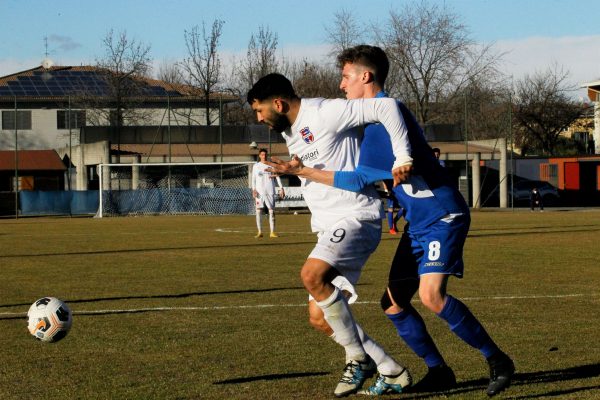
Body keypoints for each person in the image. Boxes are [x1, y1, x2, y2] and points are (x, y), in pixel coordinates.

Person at [265, 45, 515, 397]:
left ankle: (498, 360)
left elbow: (390, 107)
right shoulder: (370, 132)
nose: (341, 85)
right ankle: (439, 371)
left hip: (442, 214)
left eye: (346, 77)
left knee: (431, 296)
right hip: (418, 223)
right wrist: (302, 170)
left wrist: (402, 155)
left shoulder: (387, 121)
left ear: (365, 77)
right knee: (394, 303)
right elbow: (355, 179)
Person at [247, 73, 413, 397]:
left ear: (278, 103)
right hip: (329, 226)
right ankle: (391, 370)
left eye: (259, 110)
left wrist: (404, 156)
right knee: (320, 319)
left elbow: (387, 107)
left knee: (311, 274)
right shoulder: (291, 131)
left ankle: (357, 358)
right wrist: (295, 171)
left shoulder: (324, 112)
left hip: (355, 216)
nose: (259, 118)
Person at [252, 148, 285, 238]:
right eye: (262, 154)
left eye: (265, 154)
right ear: (259, 156)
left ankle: (272, 232)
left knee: (271, 211)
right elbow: (253, 179)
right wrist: (254, 189)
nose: (264, 156)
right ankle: (259, 232)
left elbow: (277, 176)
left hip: (270, 190)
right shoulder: (256, 166)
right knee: (258, 211)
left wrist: (281, 188)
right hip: (259, 191)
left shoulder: (272, 165)